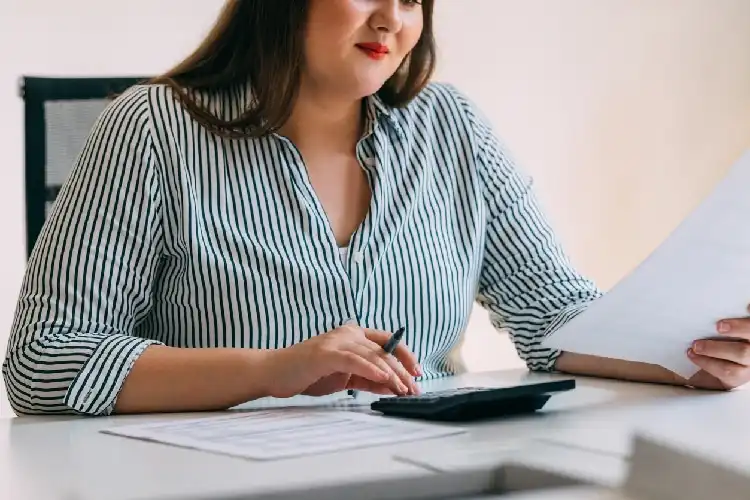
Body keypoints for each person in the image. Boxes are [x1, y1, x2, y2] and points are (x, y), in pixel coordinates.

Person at [4, 0, 750, 417]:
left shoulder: (451, 126)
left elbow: (554, 317)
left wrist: (678, 357)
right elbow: (45, 360)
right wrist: (275, 369)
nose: (393, 19)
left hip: (414, 469)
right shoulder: (152, 129)